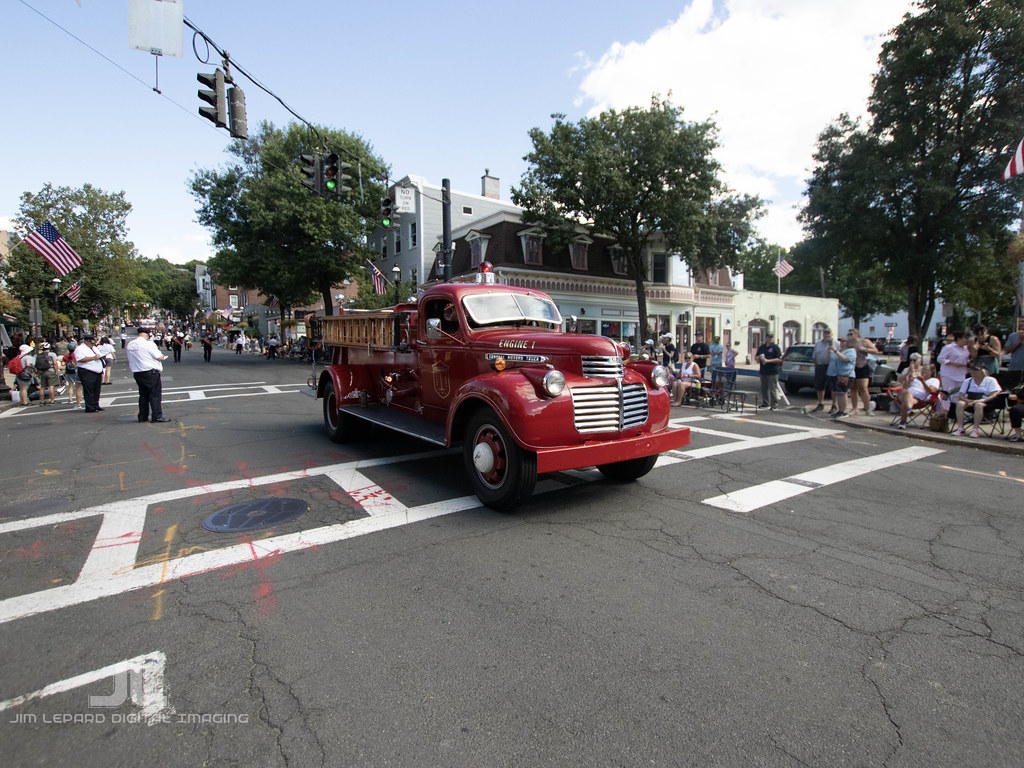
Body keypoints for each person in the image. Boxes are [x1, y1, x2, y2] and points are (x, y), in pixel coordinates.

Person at [126, 327, 170, 423]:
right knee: (155, 396)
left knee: (143, 396)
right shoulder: (148, 344)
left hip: (137, 372)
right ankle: (157, 416)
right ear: (147, 335)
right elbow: (159, 356)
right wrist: (162, 356)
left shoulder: (130, 344)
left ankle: (142, 416)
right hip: (150, 373)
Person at [955, 362, 1003, 438]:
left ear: (983, 371)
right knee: (960, 403)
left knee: (978, 405)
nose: (973, 372)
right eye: (972, 370)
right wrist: (967, 401)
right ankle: (960, 428)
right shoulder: (968, 381)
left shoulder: (991, 380)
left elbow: (994, 394)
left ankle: (975, 430)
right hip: (970, 400)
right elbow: (961, 395)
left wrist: (981, 400)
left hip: (986, 402)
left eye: (976, 370)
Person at [895, 362, 940, 429]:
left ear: (931, 372)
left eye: (925, 369)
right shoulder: (916, 378)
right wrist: (909, 379)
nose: (923, 371)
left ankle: (903, 421)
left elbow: (931, 390)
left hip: (919, 399)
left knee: (906, 397)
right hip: (906, 395)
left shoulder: (934, 380)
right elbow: (904, 386)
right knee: (907, 392)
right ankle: (909, 409)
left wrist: (922, 381)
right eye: (922, 369)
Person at [846, 329, 879, 416]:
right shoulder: (848, 343)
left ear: (856, 334)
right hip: (852, 367)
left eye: (851, 334)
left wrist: (864, 349)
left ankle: (868, 408)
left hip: (862, 366)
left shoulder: (864, 341)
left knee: (863, 388)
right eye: (848, 334)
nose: (849, 336)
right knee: (853, 388)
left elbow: (875, 350)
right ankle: (854, 408)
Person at [73, 333, 106, 412]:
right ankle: (90, 407)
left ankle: (96, 404)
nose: (92, 344)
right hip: (87, 371)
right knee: (89, 390)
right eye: (91, 342)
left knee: (96, 390)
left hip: (97, 371)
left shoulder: (94, 348)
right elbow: (80, 359)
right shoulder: (80, 349)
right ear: (87, 341)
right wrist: (94, 357)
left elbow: (99, 355)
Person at [826, 335, 856, 419]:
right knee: (838, 393)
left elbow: (844, 359)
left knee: (842, 393)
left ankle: (843, 411)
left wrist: (835, 351)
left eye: (843, 341)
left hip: (846, 375)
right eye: (841, 340)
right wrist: (829, 352)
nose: (841, 342)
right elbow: (830, 359)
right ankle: (840, 410)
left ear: (848, 342)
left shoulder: (851, 351)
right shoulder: (840, 351)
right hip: (836, 374)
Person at [937, 330, 972, 401]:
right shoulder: (949, 347)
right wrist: (953, 364)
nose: (967, 340)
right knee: (949, 393)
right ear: (959, 338)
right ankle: (946, 410)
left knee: (959, 394)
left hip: (961, 374)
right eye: (965, 338)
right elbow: (940, 359)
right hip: (949, 375)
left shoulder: (966, 348)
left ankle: (955, 410)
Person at [811, 328, 838, 413]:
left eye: (829, 333)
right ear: (823, 334)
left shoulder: (836, 343)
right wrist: (817, 366)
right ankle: (820, 403)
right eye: (825, 333)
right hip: (820, 366)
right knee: (820, 386)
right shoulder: (818, 343)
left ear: (832, 334)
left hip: (832, 367)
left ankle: (834, 405)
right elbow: (814, 356)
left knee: (833, 387)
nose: (827, 335)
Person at [755, 332, 783, 410]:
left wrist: (768, 360)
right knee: (764, 388)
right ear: (766, 338)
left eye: (772, 337)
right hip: (763, 370)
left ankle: (774, 404)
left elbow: (779, 359)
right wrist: (758, 358)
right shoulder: (762, 347)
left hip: (772, 371)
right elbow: (756, 356)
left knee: (772, 388)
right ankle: (765, 403)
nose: (771, 338)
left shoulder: (775, 347)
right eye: (769, 337)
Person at [30, 341, 60, 406]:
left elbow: (34, 364)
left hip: (42, 372)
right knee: (51, 387)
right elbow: (55, 363)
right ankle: (52, 400)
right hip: (51, 371)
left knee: (42, 387)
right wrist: (56, 371)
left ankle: (41, 401)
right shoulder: (52, 354)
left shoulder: (37, 355)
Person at [62, 341, 82, 408]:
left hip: (69, 372)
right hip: (76, 371)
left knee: (70, 386)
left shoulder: (66, 356)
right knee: (78, 387)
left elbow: (63, 364)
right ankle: (80, 400)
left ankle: (70, 399)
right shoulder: (76, 355)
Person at [1004, 325, 1024, 393]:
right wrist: (1019, 342)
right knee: (1013, 390)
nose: (1022, 324)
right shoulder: (1013, 336)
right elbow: (1006, 351)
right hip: (1015, 368)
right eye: (1021, 322)